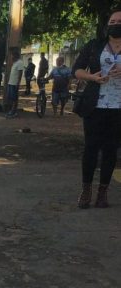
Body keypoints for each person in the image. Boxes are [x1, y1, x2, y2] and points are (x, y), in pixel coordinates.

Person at [72, 8, 121, 208]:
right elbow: (77, 70)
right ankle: (86, 191)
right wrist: (92, 77)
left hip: (118, 109)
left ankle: (103, 193)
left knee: (111, 151)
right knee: (91, 149)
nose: (116, 23)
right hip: (95, 106)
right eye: (113, 20)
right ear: (107, 24)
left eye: (120, 20)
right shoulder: (94, 46)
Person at [6, 50, 25, 117]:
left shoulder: (19, 63)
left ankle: (14, 112)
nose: (11, 57)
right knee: (10, 97)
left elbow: (20, 73)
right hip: (11, 83)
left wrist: (18, 83)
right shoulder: (15, 63)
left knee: (14, 98)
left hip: (14, 83)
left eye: (11, 56)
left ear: (15, 56)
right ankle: (12, 110)